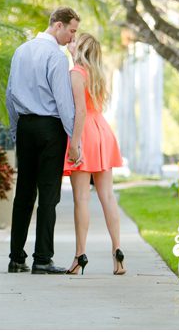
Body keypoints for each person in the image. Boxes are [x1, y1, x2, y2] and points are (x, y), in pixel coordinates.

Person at [5, 7, 81, 275]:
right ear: (57, 25)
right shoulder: (57, 57)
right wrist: (74, 140)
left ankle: (16, 258)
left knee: (24, 193)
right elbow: (63, 102)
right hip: (50, 128)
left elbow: (10, 95)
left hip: (26, 126)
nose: (72, 38)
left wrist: (16, 130)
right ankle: (42, 259)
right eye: (71, 31)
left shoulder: (20, 51)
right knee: (49, 194)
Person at [62, 33, 125, 276]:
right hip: (103, 132)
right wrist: (73, 53)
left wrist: (74, 144)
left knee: (82, 199)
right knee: (108, 196)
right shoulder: (98, 74)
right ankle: (118, 254)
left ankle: (80, 256)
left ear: (82, 50)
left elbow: (80, 111)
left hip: (85, 133)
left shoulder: (76, 73)